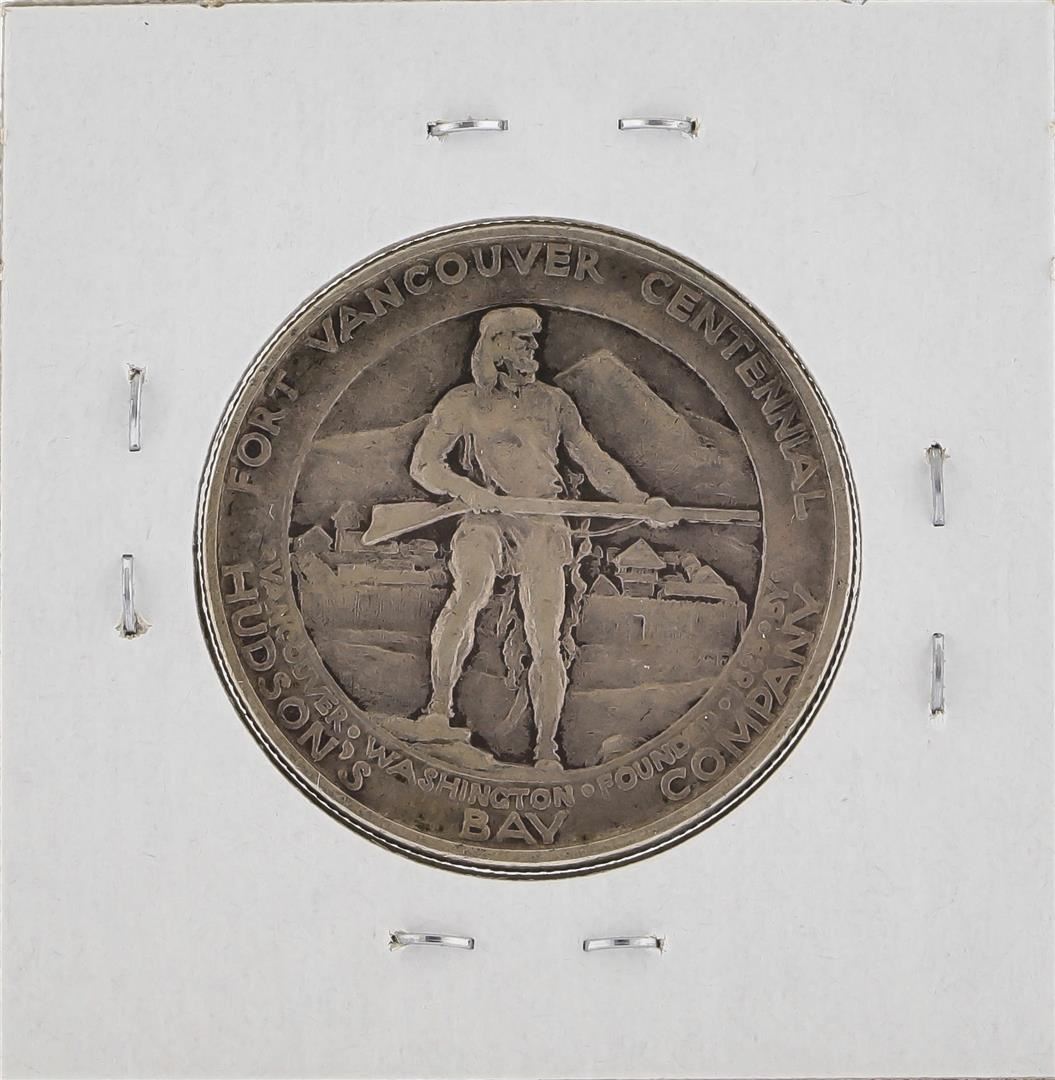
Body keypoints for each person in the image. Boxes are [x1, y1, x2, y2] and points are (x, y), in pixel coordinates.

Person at [408, 307, 666, 769]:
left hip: (543, 524)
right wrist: (468, 490)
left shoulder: (554, 403)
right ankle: (438, 709)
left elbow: (594, 461)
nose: (533, 347)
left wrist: (641, 502)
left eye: (533, 339)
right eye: (523, 339)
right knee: (469, 591)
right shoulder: (462, 402)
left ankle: (547, 748)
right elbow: (424, 465)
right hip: (487, 519)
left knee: (545, 637)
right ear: (497, 346)